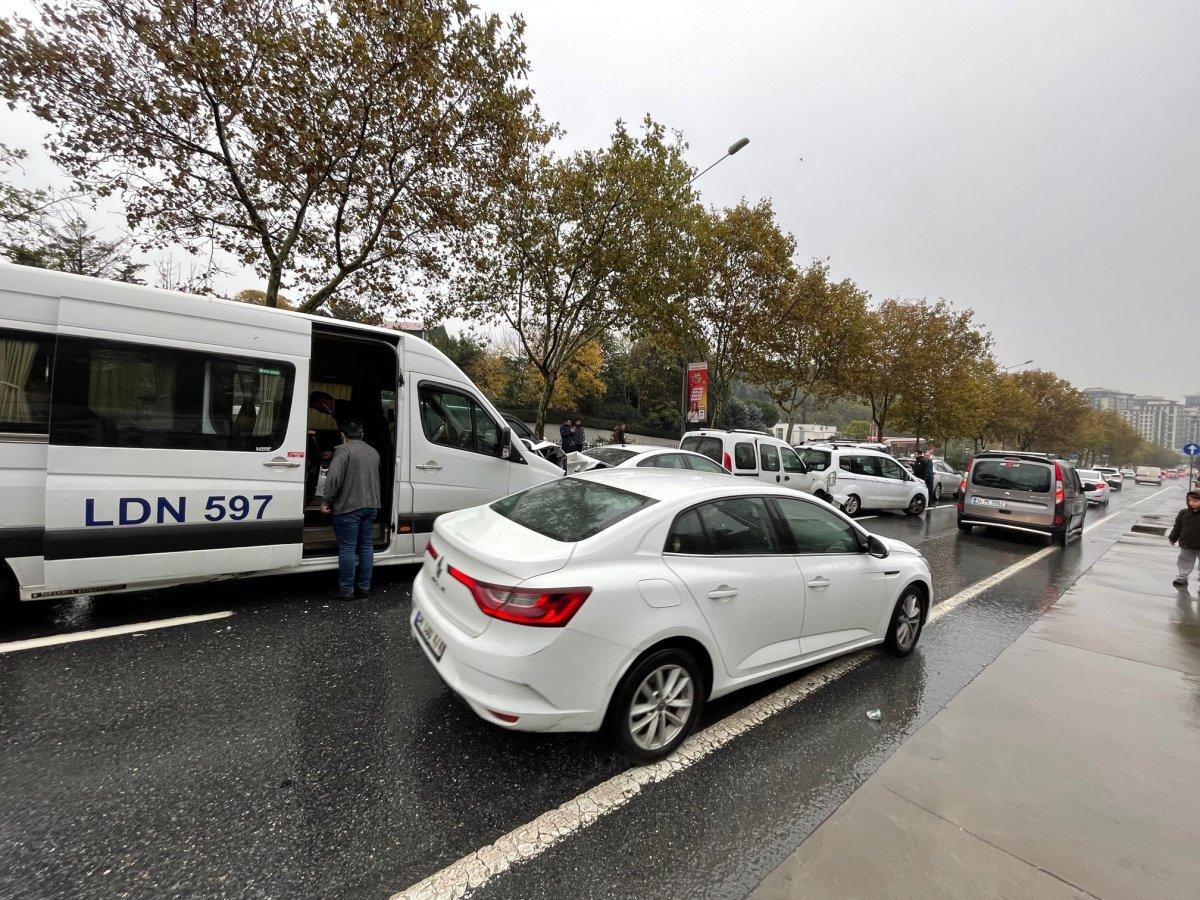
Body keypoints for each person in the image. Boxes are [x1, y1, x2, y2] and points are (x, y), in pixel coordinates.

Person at [320, 420, 381, 600]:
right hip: (371, 506)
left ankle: (347, 590)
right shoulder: (373, 452)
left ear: (343, 436)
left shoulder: (343, 450)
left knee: (347, 548)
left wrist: (326, 501)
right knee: (366, 546)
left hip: (348, 507)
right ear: (362, 435)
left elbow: (334, 478)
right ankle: (364, 588)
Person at [1168, 490, 1200, 588]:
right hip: (1187, 543)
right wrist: (1173, 538)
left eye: (1195, 501)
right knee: (1184, 560)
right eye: (1190, 501)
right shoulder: (1184, 513)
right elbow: (1178, 526)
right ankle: (1182, 577)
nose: (1192, 503)